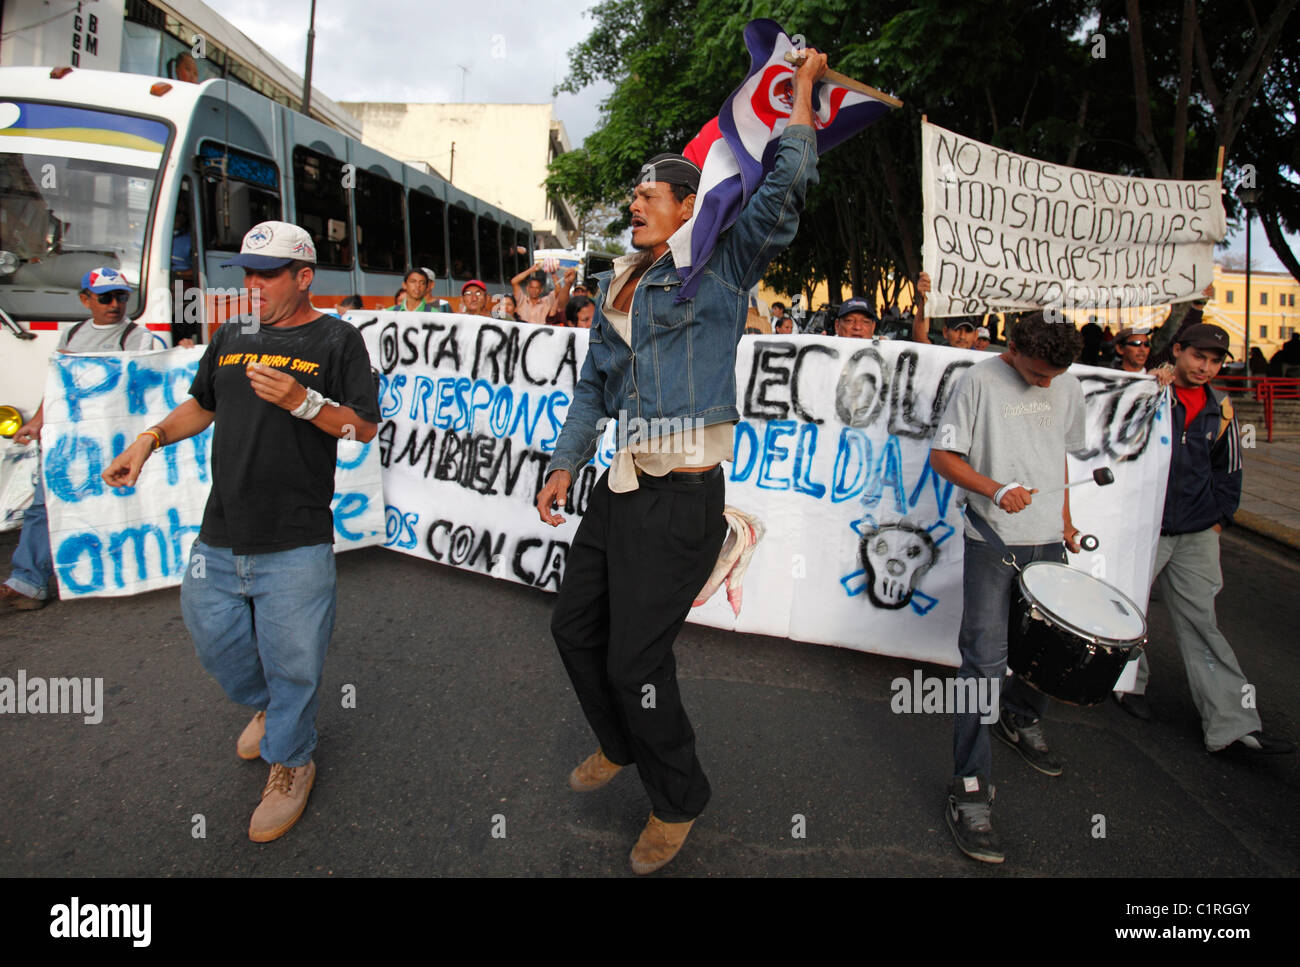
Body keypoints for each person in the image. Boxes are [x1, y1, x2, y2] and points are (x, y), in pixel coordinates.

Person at [535, 49, 829, 875]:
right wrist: (564, 463)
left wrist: (801, 95)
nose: (634, 203)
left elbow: (782, 192)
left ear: (687, 207)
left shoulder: (720, 270)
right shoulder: (619, 283)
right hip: (617, 492)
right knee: (573, 628)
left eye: (649, 194)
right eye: (633, 194)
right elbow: (595, 387)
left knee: (637, 660)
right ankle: (623, 745)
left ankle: (678, 798)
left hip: (681, 502)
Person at [101, 221, 380, 842]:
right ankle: (276, 710)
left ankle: (292, 760)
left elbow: (361, 428)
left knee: (295, 662)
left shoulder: (338, 341)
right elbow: (203, 402)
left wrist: (302, 402)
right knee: (217, 647)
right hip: (219, 534)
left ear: (303, 278)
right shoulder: (232, 333)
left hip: (297, 538)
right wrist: (148, 440)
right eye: (247, 274)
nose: (252, 286)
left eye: (268, 274)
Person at [929, 311, 1087, 864]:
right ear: (1014, 346)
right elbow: (943, 456)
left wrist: (1064, 520)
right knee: (982, 661)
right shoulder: (977, 381)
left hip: (1049, 541)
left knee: (1049, 652)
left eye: (1055, 376)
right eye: (1039, 373)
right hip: (992, 539)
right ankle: (969, 789)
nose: (1047, 384)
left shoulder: (1065, 380)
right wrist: (995, 490)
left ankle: (1020, 717)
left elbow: (1058, 458)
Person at [1113, 324, 1294, 756]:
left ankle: (1232, 724)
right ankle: (1127, 684)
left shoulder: (1222, 406)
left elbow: (1228, 468)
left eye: (1214, 361)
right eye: (1199, 357)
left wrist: (1219, 519)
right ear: (1177, 351)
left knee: (1202, 624)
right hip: (1144, 527)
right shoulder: (1148, 392)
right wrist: (1145, 388)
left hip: (1196, 532)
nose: (1206, 367)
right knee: (1126, 610)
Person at [1, 268, 167, 611]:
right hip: (72, 442)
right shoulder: (72, 334)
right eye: (105, 297)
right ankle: (27, 583)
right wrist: (37, 421)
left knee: (127, 506)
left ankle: (131, 573)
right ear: (85, 300)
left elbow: (156, 382)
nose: (115, 305)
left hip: (113, 440)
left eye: (121, 297)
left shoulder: (140, 339)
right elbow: (58, 386)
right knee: (44, 507)